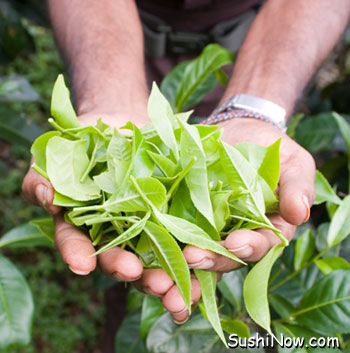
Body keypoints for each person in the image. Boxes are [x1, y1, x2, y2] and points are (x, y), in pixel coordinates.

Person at [22, 0, 350, 326]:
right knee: (125, 264)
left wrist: (255, 109)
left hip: (261, 44)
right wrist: (107, 95)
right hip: (110, 39)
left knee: (190, 262)